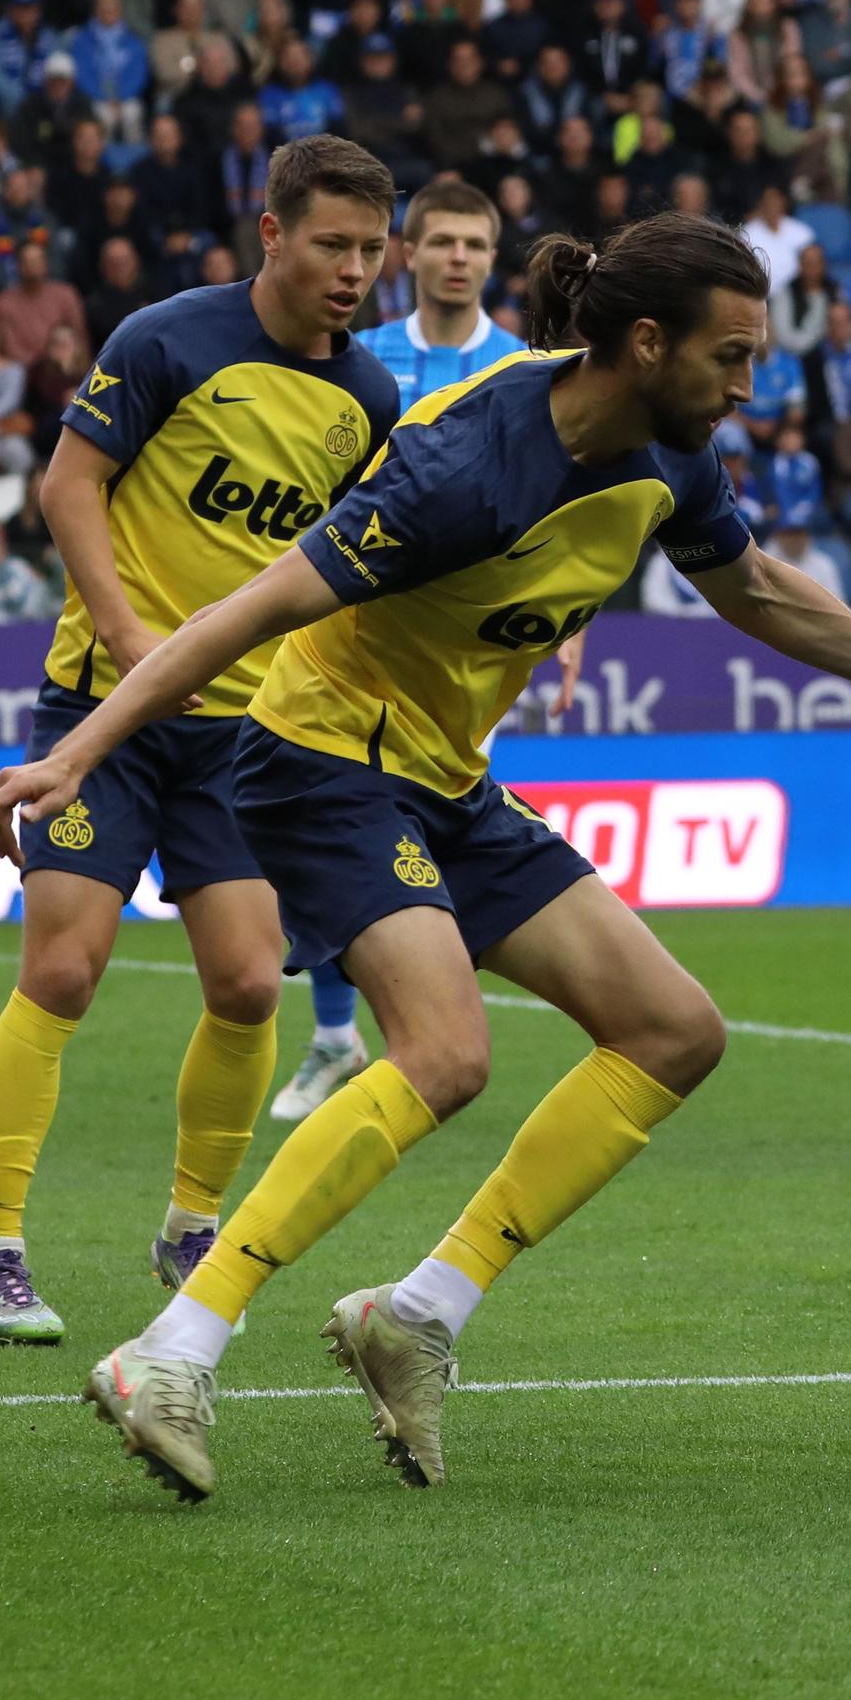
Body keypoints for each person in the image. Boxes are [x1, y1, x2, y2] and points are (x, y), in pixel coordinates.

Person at [0, 214, 851, 1502]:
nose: (749, 385)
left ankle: (418, 1312)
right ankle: (173, 1346)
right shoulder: (460, 467)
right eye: (732, 355)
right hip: (320, 759)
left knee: (673, 1031)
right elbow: (248, 611)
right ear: (648, 343)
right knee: (444, 1051)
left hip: (446, 779)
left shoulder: (670, 454)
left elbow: (755, 589)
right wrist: (75, 752)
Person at [0, 137, 404, 1353]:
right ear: (273, 232)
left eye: (372, 250)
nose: (354, 271)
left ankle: (192, 1227)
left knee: (251, 984)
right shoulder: (167, 339)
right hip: (102, 711)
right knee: (63, 970)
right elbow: (67, 487)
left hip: (245, 734)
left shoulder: (370, 400)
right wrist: (122, 630)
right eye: (332, 244)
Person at [275, 173, 529, 1126]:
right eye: (444, 242)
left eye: (476, 244)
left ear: (491, 259)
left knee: (434, 837)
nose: (459, 258)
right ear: (409, 254)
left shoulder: (524, 367)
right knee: (328, 843)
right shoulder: (359, 356)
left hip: (463, 653)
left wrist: (571, 629)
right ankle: (337, 1035)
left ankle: (412, 1040)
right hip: (346, 638)